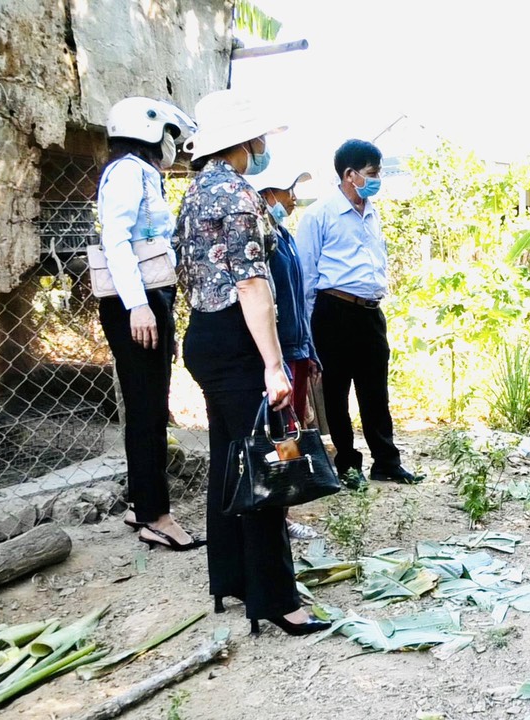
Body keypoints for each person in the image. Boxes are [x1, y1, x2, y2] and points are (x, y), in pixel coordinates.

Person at [174, 89, 329, 637]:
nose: (263, 145)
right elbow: (251, 283)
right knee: (267, 465)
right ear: (244, 141)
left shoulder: (196, 192)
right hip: (240, 343)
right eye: (259, 136)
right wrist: (273, 364)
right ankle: (277, 598)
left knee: (229, 461)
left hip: (205, 335)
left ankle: (233, 578)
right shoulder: (239, 195)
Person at [97, 97, 203, 552]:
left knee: (146, 408)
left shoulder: (140, 173)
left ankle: (141, 505)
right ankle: (157, 518)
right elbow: (116, 240)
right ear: (149, 132)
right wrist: (138, 305)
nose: (172, 147)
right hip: (134, 302)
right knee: (147, 412)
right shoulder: (126, 173)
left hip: (147, 298)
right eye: (169, 137)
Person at [295, 139, 423, 488]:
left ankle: (386, 462)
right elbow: (306, 275)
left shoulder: (371, 212)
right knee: (336, 393)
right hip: (333, 311)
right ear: (350, 175)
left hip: (370, 313)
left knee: (375, 391)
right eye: (372, 173)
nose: (377, 179)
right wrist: (308, 332)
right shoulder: (319, 215)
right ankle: (348, 466)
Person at [248, 161, 320, 541]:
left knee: (293, 431)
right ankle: (275, 515)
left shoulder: (285, 236)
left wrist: (310, 349)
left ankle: (283, 512)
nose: (291, 199)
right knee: (280, 436)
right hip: (279, 349)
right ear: (266, 194)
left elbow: (297, 298)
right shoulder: (261, 240)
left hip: (297, 346)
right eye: (286, 191)